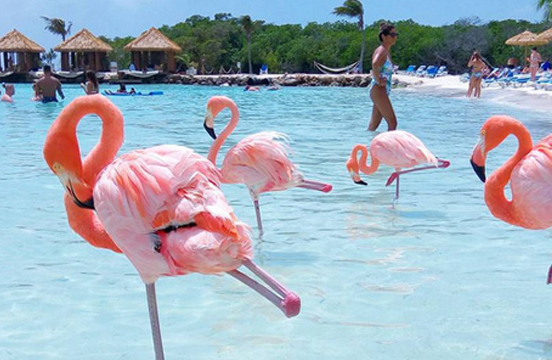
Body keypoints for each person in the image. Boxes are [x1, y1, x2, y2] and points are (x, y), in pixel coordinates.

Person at [368, 22, 398, 131]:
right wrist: (378, 80)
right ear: (383, 36)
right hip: (379, 90)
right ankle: (389, 148)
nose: (395, 37)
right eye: (392, 35)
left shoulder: (386, 51)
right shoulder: (382, 50)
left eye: (396, 35)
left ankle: (367, 145)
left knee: (373, 127)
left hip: (381, 91)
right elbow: (375, 63)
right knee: (392, 123)